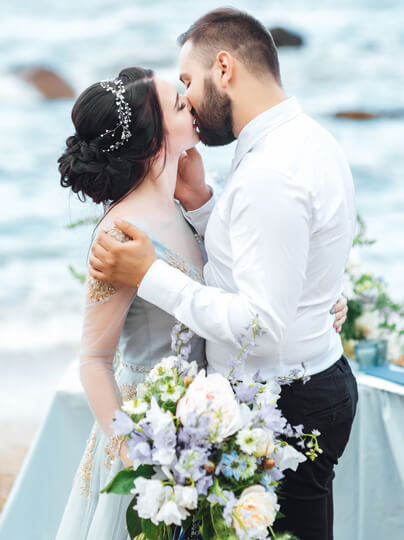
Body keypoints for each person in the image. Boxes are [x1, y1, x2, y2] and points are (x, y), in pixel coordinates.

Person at [89, 8, 357, 540]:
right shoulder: (306, 139)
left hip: (286, 401)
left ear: (225, 68)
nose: (187, 100)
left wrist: (150, 274)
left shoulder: (271, 172)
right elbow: (267, 255)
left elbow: (260, 325)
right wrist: (203, 203)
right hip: (308, 383)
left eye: (187, 81)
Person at [55, 67, 208, 540]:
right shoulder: (120, 233)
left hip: (201, 425)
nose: (192, 105)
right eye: (180, 105)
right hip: (146, 432)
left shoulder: (181, 207)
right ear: (155, 140)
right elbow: (94, 360)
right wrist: (133, 454)